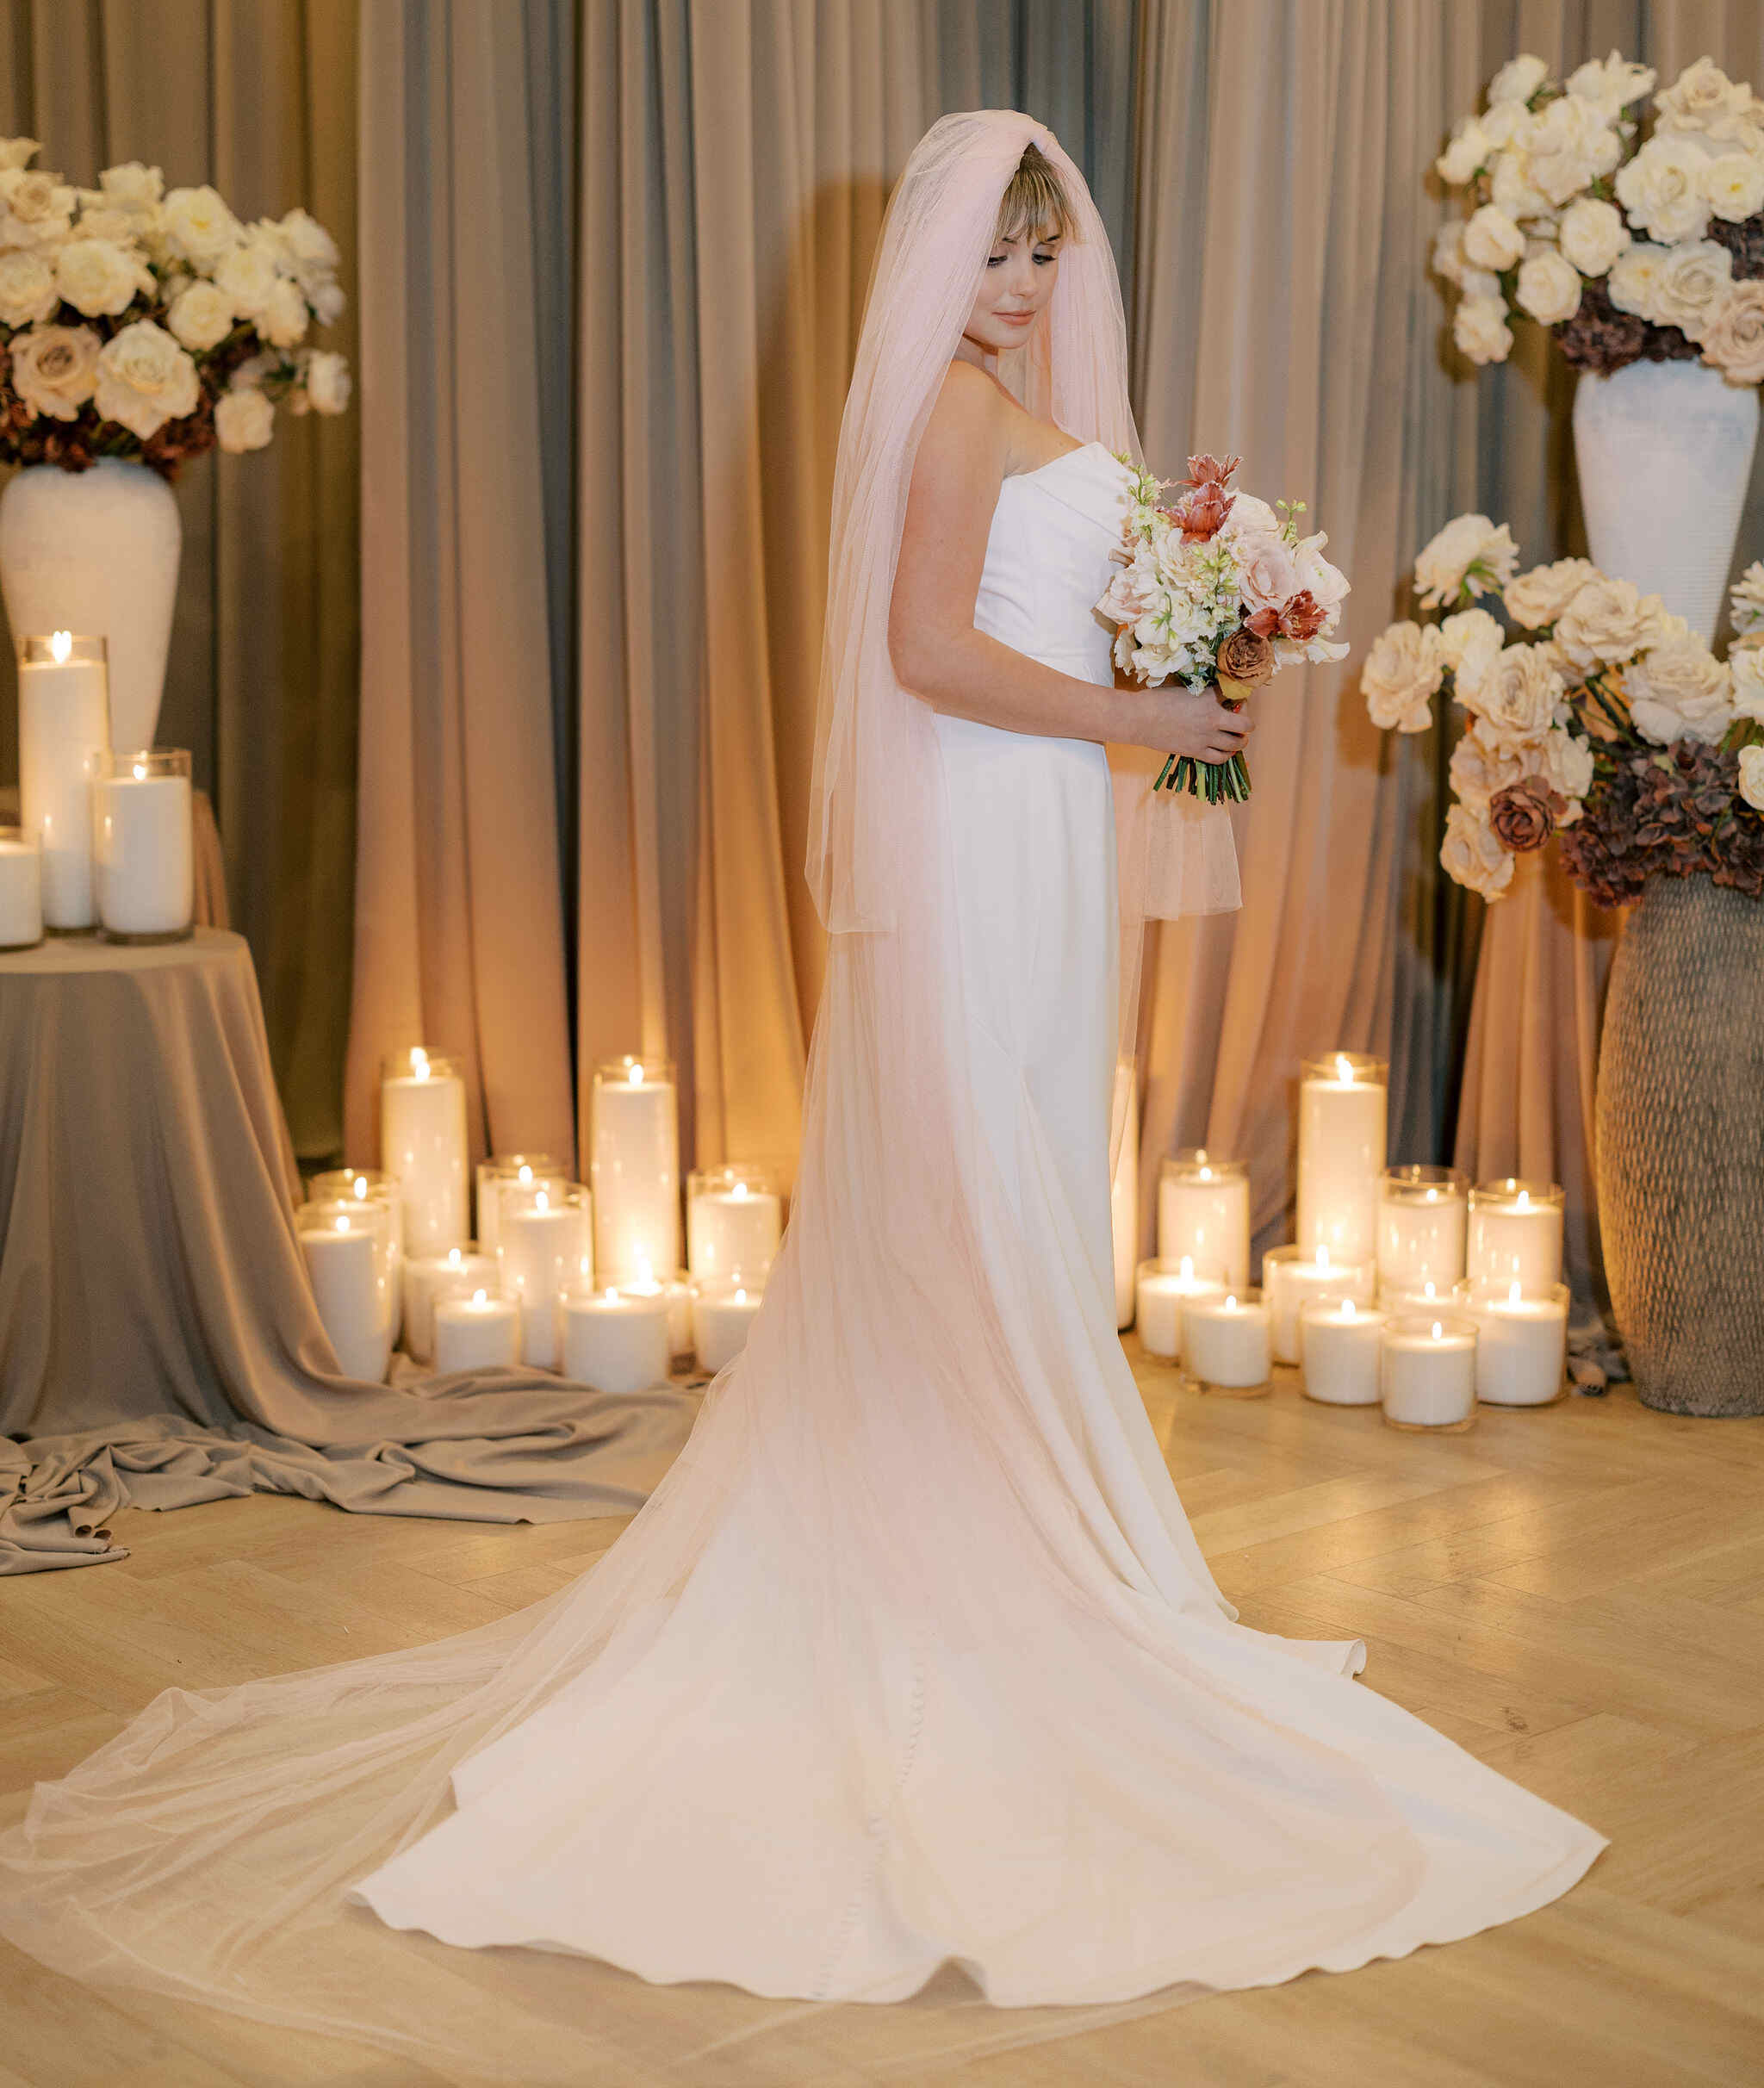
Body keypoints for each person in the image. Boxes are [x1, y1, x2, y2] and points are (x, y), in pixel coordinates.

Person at [0, 112, 1603, 2077]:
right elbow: (926, 654)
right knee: (968, 1191)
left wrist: (1197, 642)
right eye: (999, 254)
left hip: (1038, 841)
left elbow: (1037, 630)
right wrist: (1137, 713)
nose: (1023, 284)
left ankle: (1031, 1562)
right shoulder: (942, 411)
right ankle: (990, 1583)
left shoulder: (1007, 401)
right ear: (939, 266)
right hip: (981, 837)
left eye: (1044, 251)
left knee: (1006, 1182)